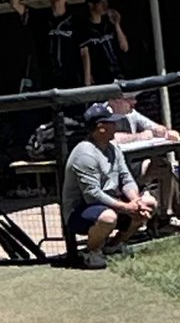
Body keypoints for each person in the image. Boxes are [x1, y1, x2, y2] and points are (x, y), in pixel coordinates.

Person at [61, 103, 156, 269]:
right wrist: (126, 207)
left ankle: (113, 246)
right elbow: (92, 195)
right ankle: (91, 252)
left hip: (109, 202)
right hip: (81, 211)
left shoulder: (113, 148)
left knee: (149, 203)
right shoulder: (85, 154)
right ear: (101, 128)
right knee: (108, 217)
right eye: (112, 122)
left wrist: (136, 202)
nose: (116, 125)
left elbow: (126, 178)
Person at [109, 92, 180, 230]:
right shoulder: (103, 113)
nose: (134, 102)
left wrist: (166, 132)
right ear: (116, 100)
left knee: (163, 167)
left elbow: (154, 127)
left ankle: (164, 218)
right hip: (112, 172)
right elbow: (113, 138)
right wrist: (141, 136)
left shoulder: (131, 113)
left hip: (133, 165)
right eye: (130, 99)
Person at [9, 0, 81, 88]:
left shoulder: (75, 20)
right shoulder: (40, 18)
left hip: (71, 76)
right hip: (47, 76)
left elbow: (84, 50)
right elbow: (15, 4)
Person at [79, 0, 128, 86]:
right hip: (100, 77)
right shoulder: (84, 29)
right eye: (101, 3)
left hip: (118, 73)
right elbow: (84, 55)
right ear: (91, 5)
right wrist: (87, 81)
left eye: (106, 2)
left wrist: (117, 24)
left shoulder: (109, 24)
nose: (105, 6)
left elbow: (124, 47)